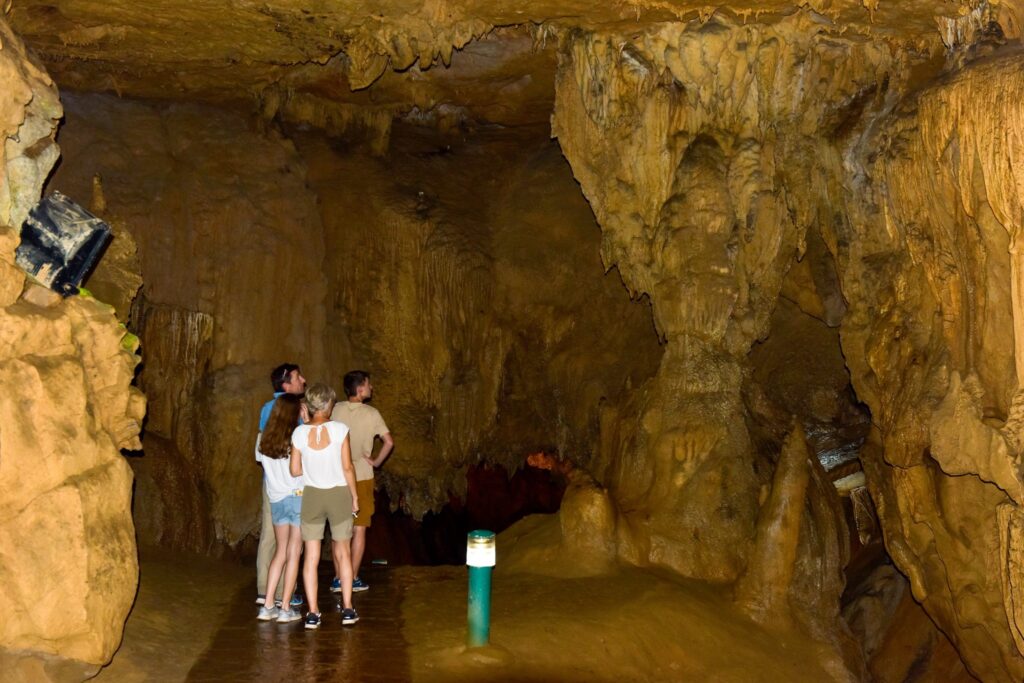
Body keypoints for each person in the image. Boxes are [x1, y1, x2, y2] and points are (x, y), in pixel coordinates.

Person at [290, 383, 360, 629]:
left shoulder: (298, 434)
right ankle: (348, 608)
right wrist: (354, 496)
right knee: (343, 552)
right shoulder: (341, 429)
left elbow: (295, 470)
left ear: (309, 406)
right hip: (339, 494)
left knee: (311, 556)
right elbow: (348, 467)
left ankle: (312, 612)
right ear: (330, 405)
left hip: (312, 496)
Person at [329, 370, 393, 594]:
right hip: (362, 478)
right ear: (360, 389)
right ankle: (352, 577)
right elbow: (388, 442)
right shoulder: (372, 414)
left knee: (339, 530)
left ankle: (338, 578)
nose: (371, 388)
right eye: (368, 384)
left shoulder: (335, 410)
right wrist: (375, 462)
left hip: (337, 477)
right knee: (359, 529)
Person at [256, 363, 306, 606]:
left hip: (272, 485)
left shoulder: (267, 408)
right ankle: (286, 594)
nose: (303, 381)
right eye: (298, 377)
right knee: (293, 546)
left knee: (270, 538)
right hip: (294, 487)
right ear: (286, 384)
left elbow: (262, 444)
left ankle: (266, 590)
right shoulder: (295, 410)